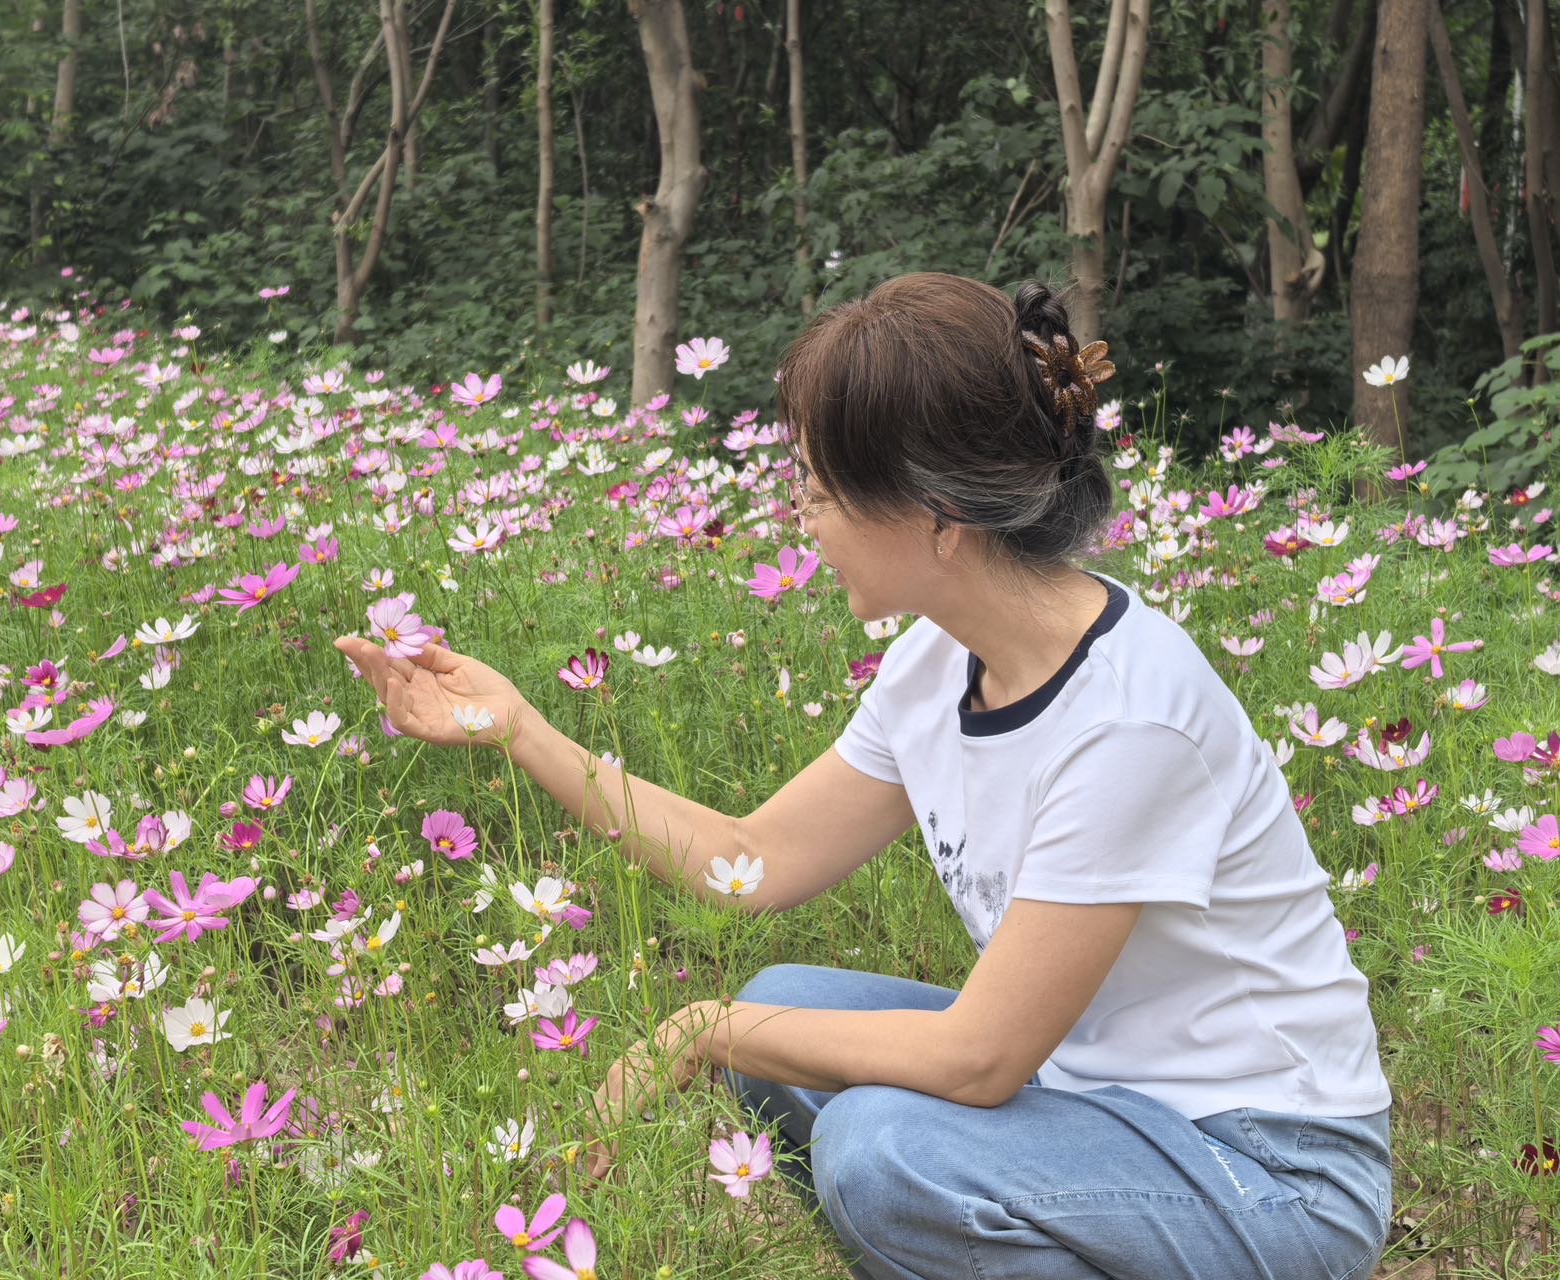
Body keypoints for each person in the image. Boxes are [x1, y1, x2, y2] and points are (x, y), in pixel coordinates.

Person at [336, 272, 1394, 1280]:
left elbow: (980, 1058)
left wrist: (701, 1026)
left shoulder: (1129, 718)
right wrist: (520, 727)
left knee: (882, 1148)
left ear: (936, 512)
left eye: (820, 486)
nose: (801, 515)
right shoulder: (937, 659)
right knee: (782, 1011)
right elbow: (751, 860)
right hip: (1099, 1104)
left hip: (1269, 1171)